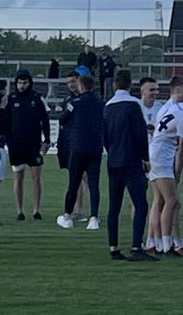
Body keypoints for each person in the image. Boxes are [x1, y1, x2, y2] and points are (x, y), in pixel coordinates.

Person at [103, 68, 153, 261]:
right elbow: (140, 135)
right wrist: (145, 158)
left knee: (114, 206)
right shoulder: (134, 105)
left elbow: (105, 136)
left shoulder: (108, 106)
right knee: (140, 204)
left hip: (114, 160)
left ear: (115, 84)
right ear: (130, 84)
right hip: (132, 160)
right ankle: (136, 247)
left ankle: (113, 247)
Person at [146, 76, 183, 255]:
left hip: (156, 152)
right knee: (172, 201)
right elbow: (181, 149)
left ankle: (155, 242)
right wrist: (178, 173)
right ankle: (167, 245)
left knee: (159, 200)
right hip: (162, 157)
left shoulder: (168, 107)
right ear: (178, 89)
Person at [56, 75, 104, 231]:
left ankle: (68, 216)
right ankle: (94, 218)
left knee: (74, 183)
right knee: (94, 184)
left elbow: (62, 119)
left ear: (81, 86)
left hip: (78, 147)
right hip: (96, 147)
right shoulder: (100, 104)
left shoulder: (74, 103)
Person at [2, 70, 50, 221]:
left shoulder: (37, 98)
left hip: (34, 143)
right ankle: (19, 210)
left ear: (30, 83)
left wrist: (47, 140)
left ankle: (36, 209)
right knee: (18, 177)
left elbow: (45, 120)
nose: (22, 86)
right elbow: (5, 122)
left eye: (24, 82)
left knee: (36, 177)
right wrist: (8, 141)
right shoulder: (11, 99)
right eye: (19, 83)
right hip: (16, 144)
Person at [55, 70, 88, 220]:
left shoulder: (86, 99)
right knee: (76, 177)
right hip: (71, 143)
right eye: (68, 83)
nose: (71, 85)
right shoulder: (67, 100)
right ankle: (78, 209)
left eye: (73, 82)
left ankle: (87, 209)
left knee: (85, 177)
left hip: (84, 142)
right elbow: (63, 121)